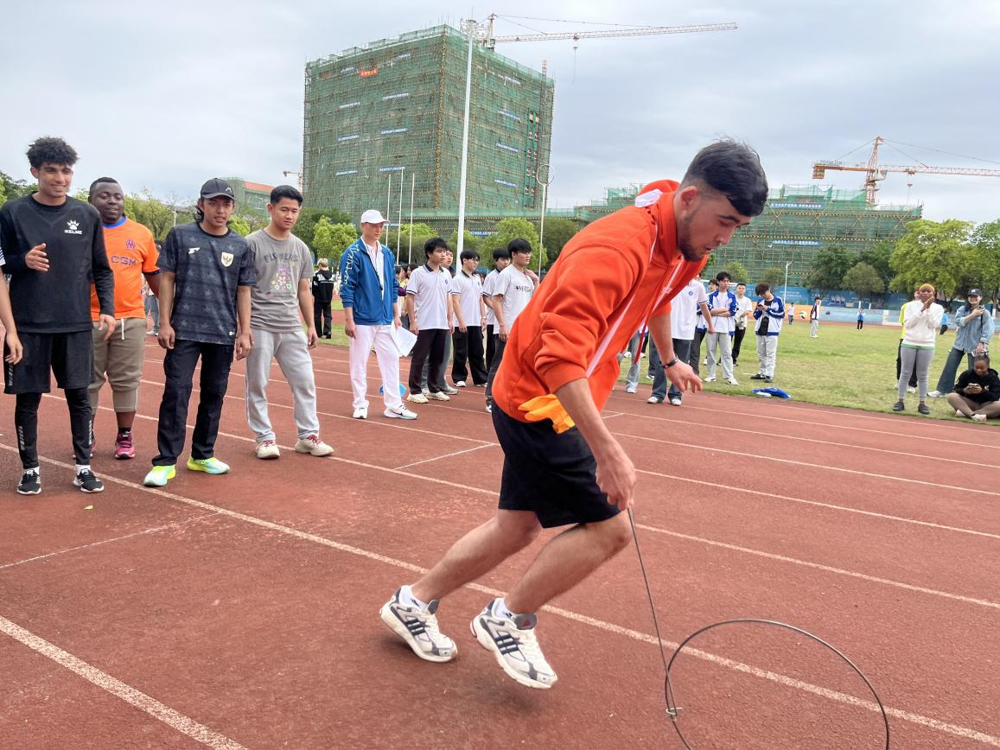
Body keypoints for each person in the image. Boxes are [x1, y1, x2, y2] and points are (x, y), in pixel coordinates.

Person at [379, 140, 768, 689]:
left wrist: (670, 358)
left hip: (548, 392)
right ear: (688, 199)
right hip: (540, 399)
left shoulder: (685, 246)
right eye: (724, 221)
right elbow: (558, 358)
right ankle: (509, 617)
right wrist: (607, 451)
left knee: (516, 528)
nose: (726, 237)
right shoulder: (613, 249)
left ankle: (413, 603)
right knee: (611, 530)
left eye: (738, 228)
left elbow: (657, 298)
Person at [1, 137, 114, 495]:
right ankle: (30, 469)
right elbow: (2, 267)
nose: (60, 178)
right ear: (35, 171)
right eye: (51, 170)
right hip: (29, 325)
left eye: (66, 171)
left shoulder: (87, 214)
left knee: (80, 397)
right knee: (28, 399)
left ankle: (83, 467)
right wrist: (23, 262)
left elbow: (102, 269)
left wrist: (107, 310)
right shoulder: (12, 213)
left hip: (75, 326)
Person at [142, 179, 255, 487]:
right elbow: (167, 280)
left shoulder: (241, 245)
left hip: (222, 331)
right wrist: (163, 322)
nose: (220, 209)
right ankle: (166, 461)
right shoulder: (180, 235)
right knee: (176, 392)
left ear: (232, 208)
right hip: (184, 330)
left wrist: (245, 332)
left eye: (226, 204)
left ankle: (202, 454)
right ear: (201, 204)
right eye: (214, 203)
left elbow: (244, 291)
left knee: (214, 394)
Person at [244, 185, 334, 460]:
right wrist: (244, 327)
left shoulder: (301, 248)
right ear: (271, 209)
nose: (289, 215)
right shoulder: (252, 243)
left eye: (295, 211)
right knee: (258, 383)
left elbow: (303, 289)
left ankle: (308, 436)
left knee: (305, 381)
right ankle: (264, 438)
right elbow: (243, 288)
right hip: (260, 323)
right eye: (284, 209)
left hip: (291, 325)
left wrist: (310, 324)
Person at [87, 177, 160, 460]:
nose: (112, 201)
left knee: (127, 381)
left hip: (130, 318)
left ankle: (124, 436)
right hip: (88, 318)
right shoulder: (82, 231)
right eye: (104, 196)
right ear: (92, 201)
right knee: (87, 381)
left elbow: (154, 276)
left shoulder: (141, 234)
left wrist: (167, 314)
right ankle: (86, 435)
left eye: (117, 196)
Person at [339, 210, 416, 421]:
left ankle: (394, 405)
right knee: (359, 362)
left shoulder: (387, 253)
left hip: (385, 319)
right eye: (374, 225)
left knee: (391, 359)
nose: (378, 229)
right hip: (363, 318)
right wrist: (349, 319)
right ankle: (360, 403)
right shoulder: (352, 253)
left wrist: (396, 314)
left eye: (381, 225)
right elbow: (347, 287)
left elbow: (391, 284)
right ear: (363, 225)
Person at [484, 238, 536, 413]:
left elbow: (536, 302)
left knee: (520, 367)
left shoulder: (528, 277)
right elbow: (496, 300)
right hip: (507, 327)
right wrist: (502, 325)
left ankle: (512, 398)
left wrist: (536, 281)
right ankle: (490, 399)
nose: (528, 255)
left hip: (524, 329)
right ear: (514, 254)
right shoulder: (506, 274)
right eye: (524, 252)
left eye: (529, 252)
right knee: (499, 364)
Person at [406, 238, 456, 404]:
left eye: (445, 251)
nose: (443, 254)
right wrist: (412, 321)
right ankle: (414, 390)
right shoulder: (418, 273)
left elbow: (448, 298)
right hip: (424, 322)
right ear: (429, 253)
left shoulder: (446, 274)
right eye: (439, 251)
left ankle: (434, 388)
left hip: (441, 323)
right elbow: (410, 297)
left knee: (438, 358)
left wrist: (450, 319)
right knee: (419, 357)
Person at [647, 277, 712, 405]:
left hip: (685, 331)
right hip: (667, 330)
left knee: (682, 363)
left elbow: (704, 307)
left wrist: (710, 325)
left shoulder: (697, 287)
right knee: (663, 361)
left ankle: (676, 394)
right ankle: (657, 393)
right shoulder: (669, 282)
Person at [928, 289, 994, 398]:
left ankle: (974, 394)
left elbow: (988, 329)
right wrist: (972, 315)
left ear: (981, 297)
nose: (973, 298)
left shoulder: (985, 313)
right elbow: (958, 322)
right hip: (959, 344)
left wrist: (982, 343)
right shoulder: (962, 309)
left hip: (975, 346)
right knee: (950, 366)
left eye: (975, 296)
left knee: (974, 370)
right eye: (970, 296)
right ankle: (942, 390)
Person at [893, 283, 943, 415]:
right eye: (923, 291)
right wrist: (921, 309)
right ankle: (900, 400)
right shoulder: (910, 306)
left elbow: (934, 324)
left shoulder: (938, 308)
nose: (926, 293)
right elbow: (908, 324)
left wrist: (928, 309)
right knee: (905, 373)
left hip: (927, 344)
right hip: (909, 342)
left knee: (923, 374)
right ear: (918, 293)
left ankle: (922, 403)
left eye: (929, 291)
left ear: (933, 294)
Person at [451, 249, 488, 387]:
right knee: (461, 351)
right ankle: (459, 377)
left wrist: (483, 317)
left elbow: (480, 299)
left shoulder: (477, 279)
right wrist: (460, 321)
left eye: (477, 260)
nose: (475, 262)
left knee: (478, 351)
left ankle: (480, 378)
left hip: (476, 321)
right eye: (473, 259)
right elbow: (455, 301)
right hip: (461, 321)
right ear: (464, 260)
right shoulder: (457, 280)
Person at [705, 271, 738, 385]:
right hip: (712, 327)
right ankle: (711, 375)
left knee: (726, 353)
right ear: (718, 282)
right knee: (710, 351)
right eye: (723, 281)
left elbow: (732, 312)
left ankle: (729, 376)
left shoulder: (732, 296)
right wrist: (724, 309)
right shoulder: (710, 296)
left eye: (728, 281)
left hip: (726, 328)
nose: (726, 283)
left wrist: (717, 312)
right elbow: (709, 310)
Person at [482, 248, 511, 371]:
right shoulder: (491, 277)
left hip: (507, 319)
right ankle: (490, 373)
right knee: (493, 349)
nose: (506, 262)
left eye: (508, 259)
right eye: (503, 259)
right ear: (496, 260)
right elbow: (485, 297)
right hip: (493, 320)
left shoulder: (510, 275)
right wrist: (495, 307)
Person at [948, 355, 1000, 422]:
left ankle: (966, 413)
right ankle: (973, 415)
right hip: (969, 403)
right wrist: (965, 390)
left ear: (988, 366)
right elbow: (956, 389)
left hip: (986, 405)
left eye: (982, 368)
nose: (979, 370)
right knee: (951, 396)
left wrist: (982, 391)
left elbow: (996, 397)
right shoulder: (967, 374)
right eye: (976, 367)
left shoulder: (993, 377)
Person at [751, 282, 784, 383]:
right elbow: (755, 316)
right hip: (760, 330)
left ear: (768, 291)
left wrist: (768, 309)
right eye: (760, 295)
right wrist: (760, 310)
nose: (762, 296)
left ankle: (769, 374)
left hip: (772, 331)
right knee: (761, 353)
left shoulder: (778, 300)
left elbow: (781, 314)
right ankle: (762, 372)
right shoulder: (760, 301)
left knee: (770, 354)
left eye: (763, 294)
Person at [689, 278, 716, 375]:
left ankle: (694, 372)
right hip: (690, 324)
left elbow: (707, 308)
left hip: (700, 325)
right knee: (691, 348)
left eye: (698, 276)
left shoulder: (702, 291)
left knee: (695, 349)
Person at [311, 258, 334, 339]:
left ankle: (318, 333)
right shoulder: (331, 274)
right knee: (328, 315)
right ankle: (328, 332)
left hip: (319, 298)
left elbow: (314, 287)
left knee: (317, 315)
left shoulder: (317, 274)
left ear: (320, 265)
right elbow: (332, 287)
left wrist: (315, 295)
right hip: (328, 298)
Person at [731, 282, 753, 366]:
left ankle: (733, 359)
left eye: (743, 288)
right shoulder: (732, 298)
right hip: (731, 323)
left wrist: (739, 314)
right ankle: (723, 359)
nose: (741, 290)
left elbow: (748, 311)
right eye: (739, 288)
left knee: (738, 342)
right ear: (736, 289)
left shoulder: (747, 300)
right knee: (727, 341)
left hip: (741, 324)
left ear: (745, 290)